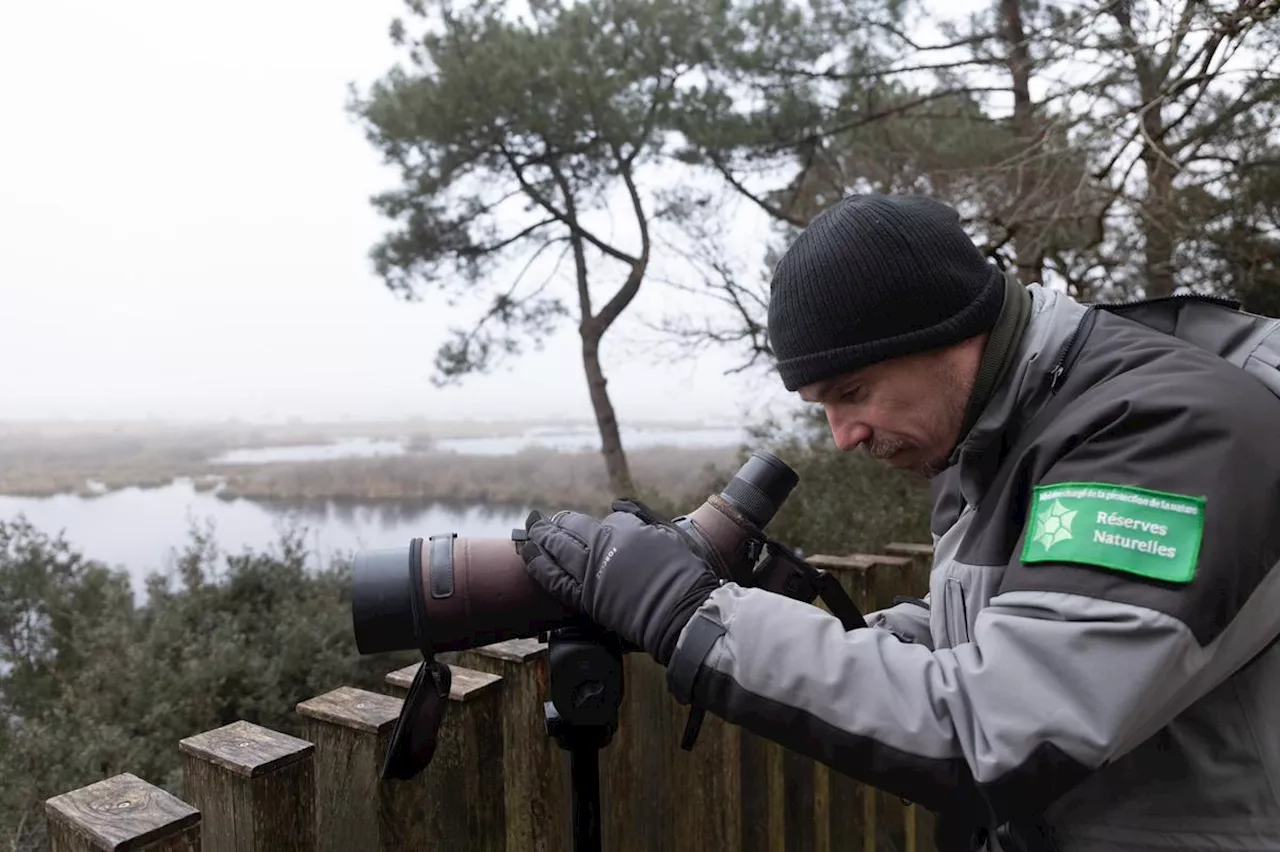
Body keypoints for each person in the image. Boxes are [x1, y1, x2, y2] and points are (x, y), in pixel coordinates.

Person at [517, 194, 1280, 851]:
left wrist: (688, 615)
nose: (844, 434)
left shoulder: (1161, 431)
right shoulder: (991, 438)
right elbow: (1012, 631)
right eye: (822, 406)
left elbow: (995, 733)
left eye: (853, 389)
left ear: (949, 330)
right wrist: (845, 637)